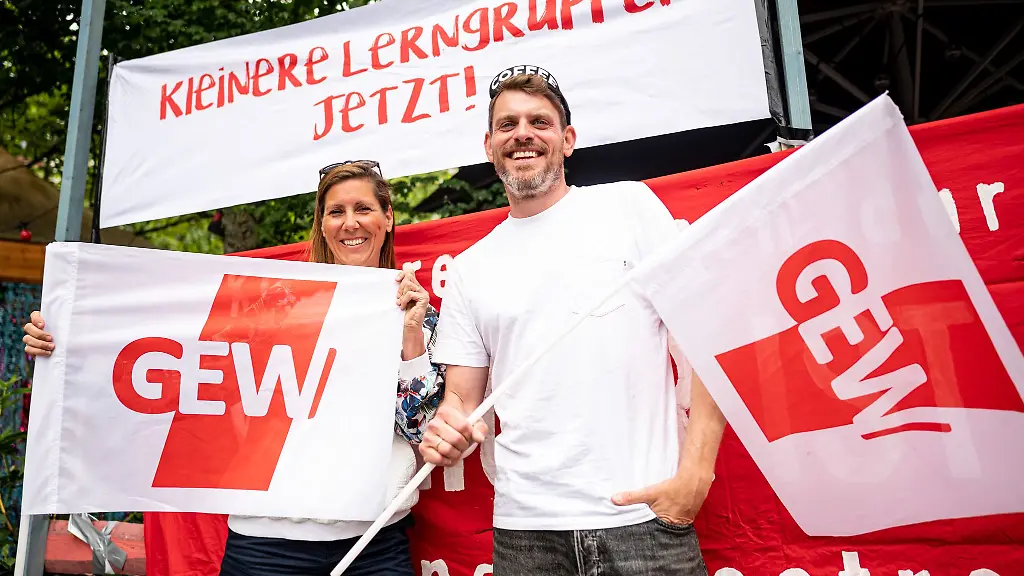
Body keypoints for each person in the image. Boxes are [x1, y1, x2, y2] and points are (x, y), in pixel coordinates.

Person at [23, 161, 442, 576]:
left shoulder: (418, 316)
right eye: (336, 212)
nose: (350, 223)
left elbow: (423, 433)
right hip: (266, 546)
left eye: (363, 209)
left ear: (387, 218)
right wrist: (66, 342)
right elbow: (185, 367)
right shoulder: (278, 304)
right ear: (322, 224)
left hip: (374, 545)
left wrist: (409, 339)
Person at [417, 67, 727, 576]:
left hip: (644, 522)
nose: (523, 133)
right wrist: (443, 432)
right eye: (507, 124)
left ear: (567, 140)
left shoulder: (629, 208)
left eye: (540, 121)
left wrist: (695, 475)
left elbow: (711, 333)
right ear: (490, 146)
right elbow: (461, 403)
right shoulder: (471, 269)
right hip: (525, 537)